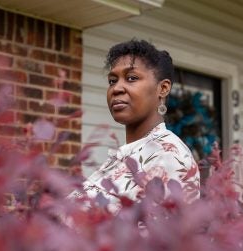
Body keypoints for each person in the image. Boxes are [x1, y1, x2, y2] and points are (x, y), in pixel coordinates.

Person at [82, 39, 200, 212]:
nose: (116, 88)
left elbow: (161, 235)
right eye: (112, 81)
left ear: (163, 88)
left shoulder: (168, 157)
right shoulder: (128, 155)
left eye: (131, 78)